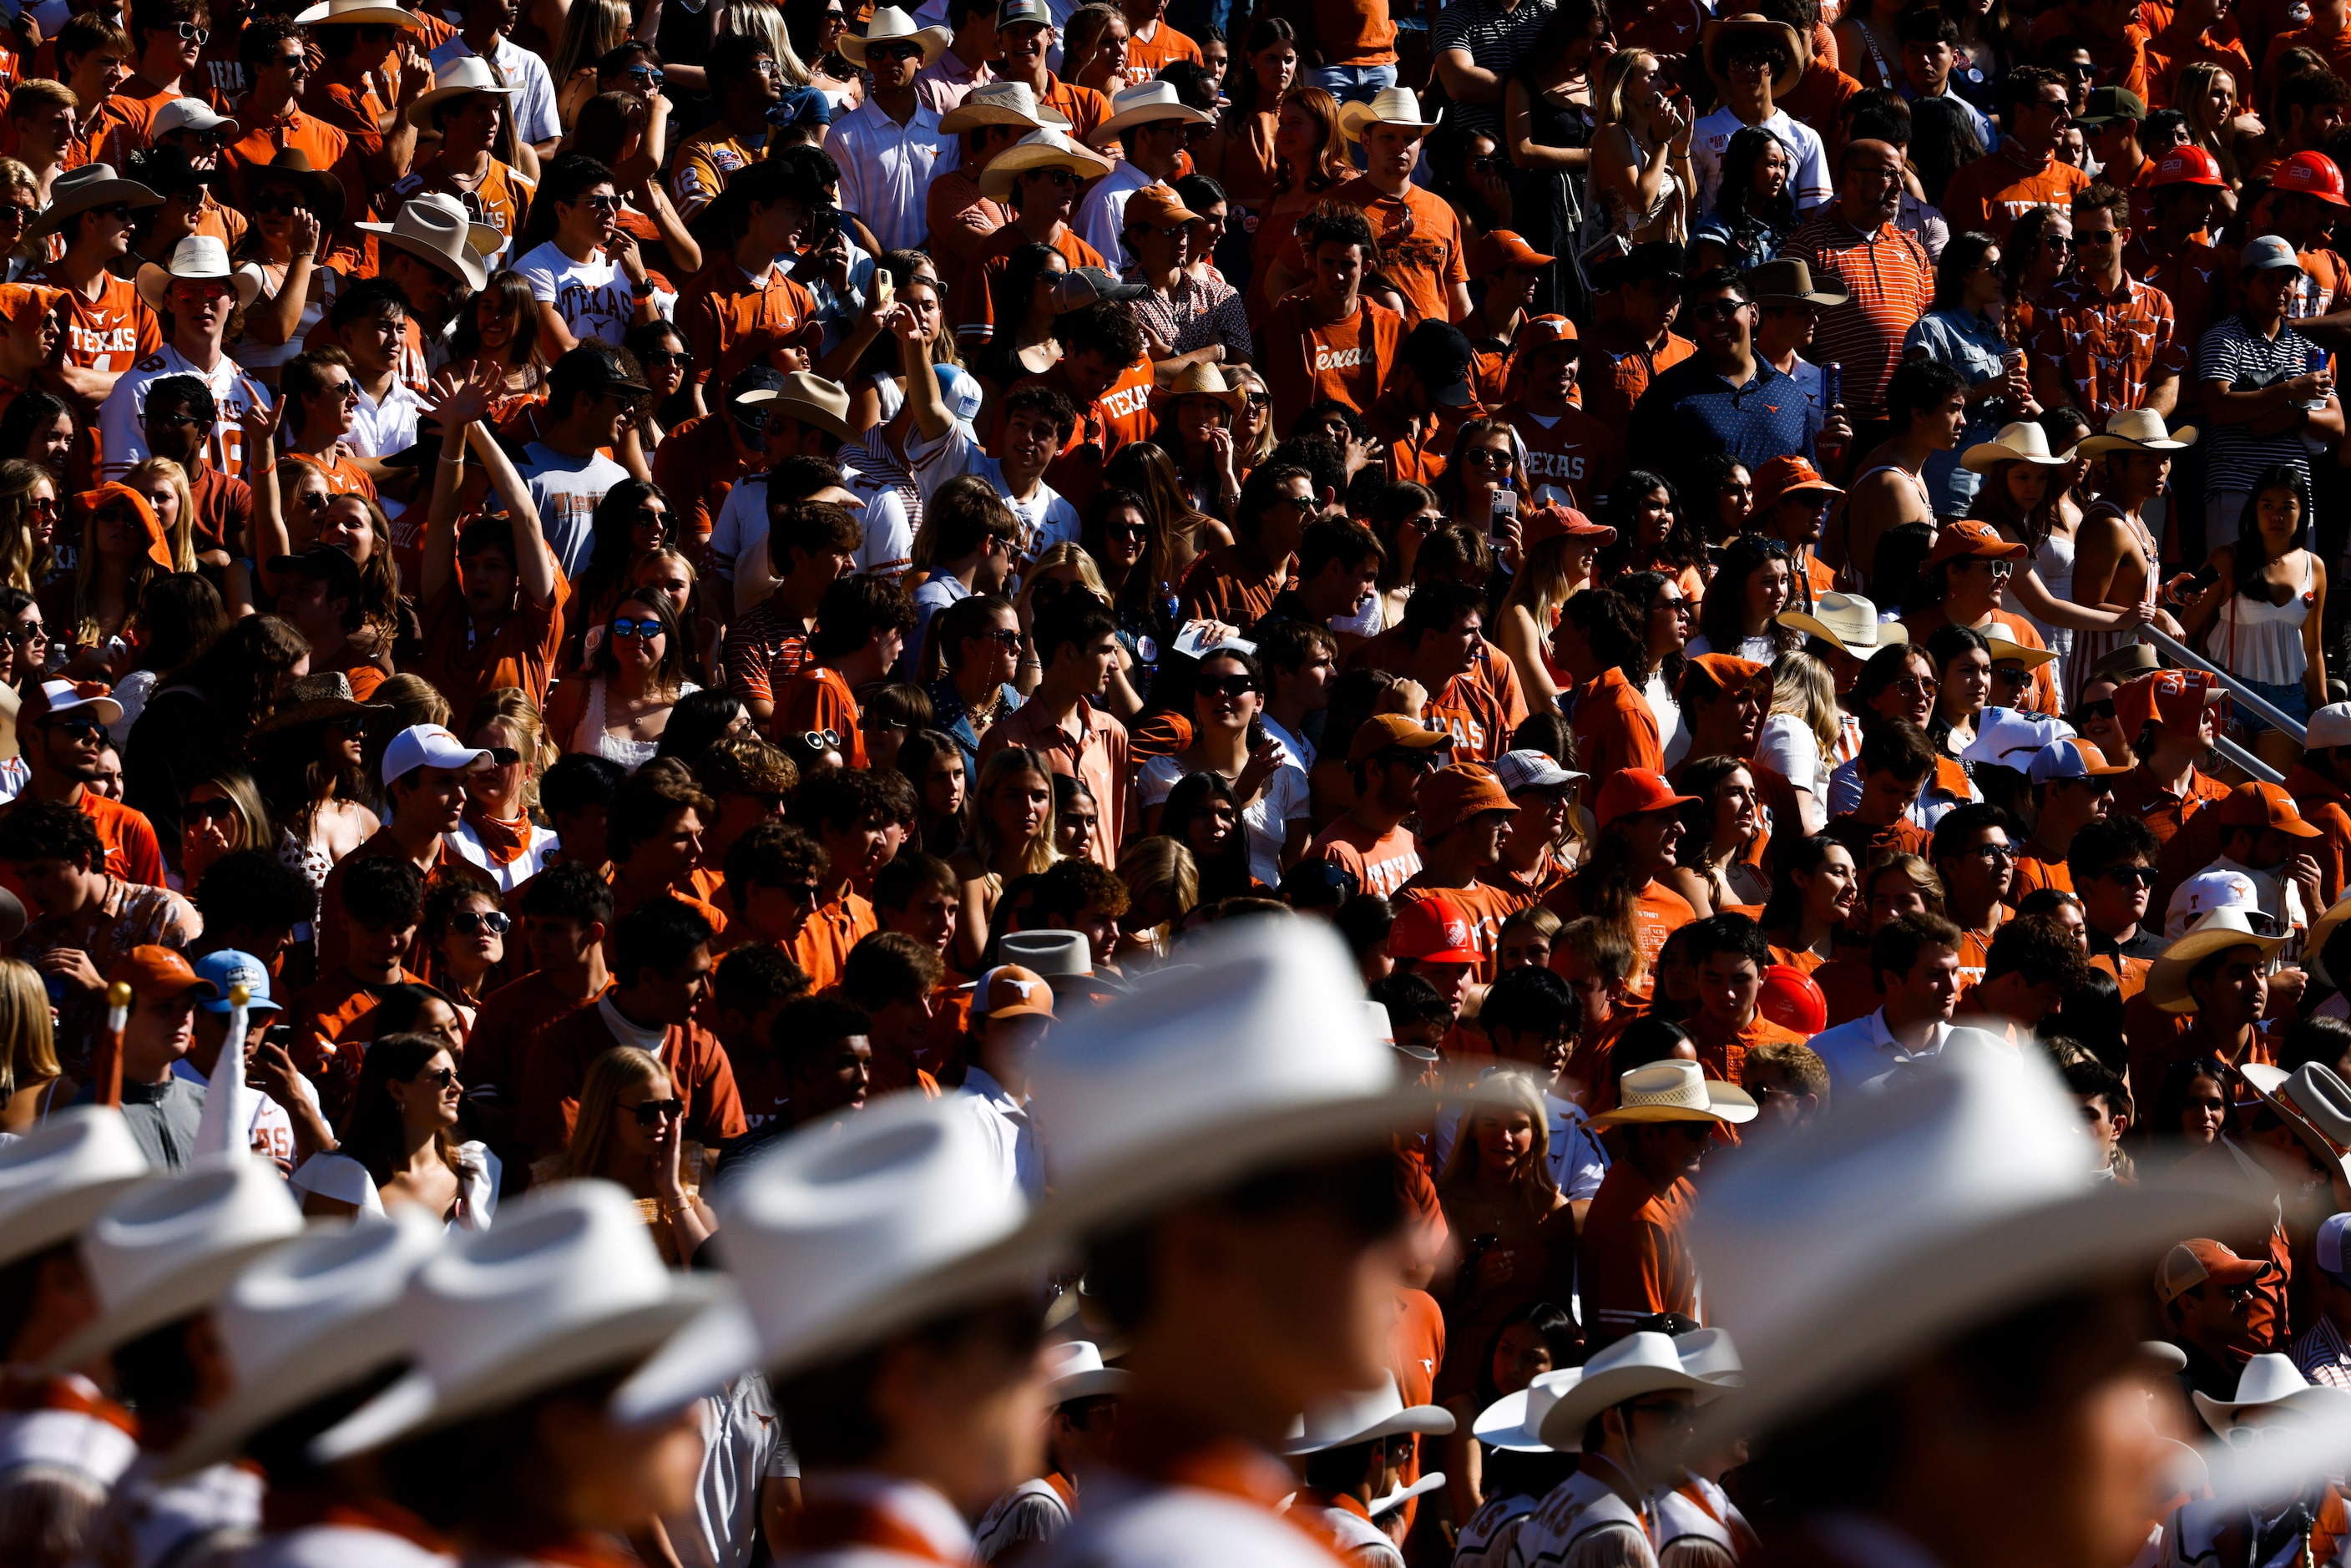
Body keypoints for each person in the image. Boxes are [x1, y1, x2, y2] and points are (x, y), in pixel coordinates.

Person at [1580, 1058, 1756, 1342]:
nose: (1705, 1143)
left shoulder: (1678, 1187)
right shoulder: (1636, 1222)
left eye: (1709, 1129)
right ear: (1649, 1134)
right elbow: (1643, 1345)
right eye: (1694, 1131)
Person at [1782, 138, 1936, 423]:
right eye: (1888, 174)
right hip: (1837, 420)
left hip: (1905, 421)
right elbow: (1789, 336)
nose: (1899, 187)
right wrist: (1817, 408)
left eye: (1900, 175)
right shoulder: (1808, 244)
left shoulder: (1913, 250)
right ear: (1853, 178)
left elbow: (1927, 331)